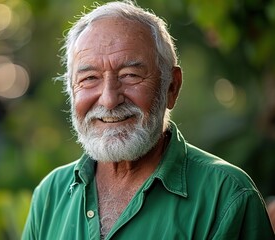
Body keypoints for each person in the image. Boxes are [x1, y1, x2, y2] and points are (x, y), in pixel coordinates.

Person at [22, 1, 274, 239]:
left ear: (171, 87)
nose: (109, 100)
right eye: (89, 78)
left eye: (130, 75)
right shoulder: (51, 194)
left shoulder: (226, 196)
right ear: (71, 89)